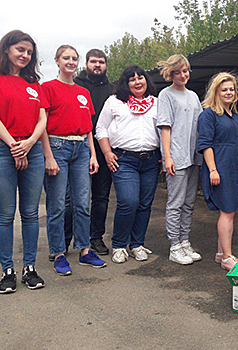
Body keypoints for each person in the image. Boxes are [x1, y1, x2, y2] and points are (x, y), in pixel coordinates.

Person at [0, 30, 47, 293]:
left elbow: (42, 119)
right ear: (6, 49)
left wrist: (29, 143)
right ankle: (8, 270)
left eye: (29, 52)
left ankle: (30, 268)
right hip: (1, 149)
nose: (25, 55)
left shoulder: (34, 83)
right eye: (20, 50)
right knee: (5, 215)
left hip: (32, 149)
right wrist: (15, 146)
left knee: (30, 214)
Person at [42, 45, 107, 276]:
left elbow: (88, 127)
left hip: (81, 148)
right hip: (57, 146)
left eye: (74, 58)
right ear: (57, 61)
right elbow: (43, 126)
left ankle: (84, 249)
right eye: (66, 58)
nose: (70, 62)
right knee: (58, 204)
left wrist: (92, 154)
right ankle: (59, 253)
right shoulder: (47, 88)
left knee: (82, 203)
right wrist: (48, 156)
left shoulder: (83, 92)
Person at [96, 65, 160, 264]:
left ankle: (137, 244)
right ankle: (119, 245)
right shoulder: (115, 102)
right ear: (126, 83)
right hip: (124, 160)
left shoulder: (156, 103)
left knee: (144, 204)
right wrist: (107, 152)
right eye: (132, 79)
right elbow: (101, 128)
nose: (137, 82)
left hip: (151, 160)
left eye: (140, 78)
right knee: (128, 202)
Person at [197, 73, 238, 270]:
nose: (229, 92)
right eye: (224, 89)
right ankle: (228, 257)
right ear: (216, 92)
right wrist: (213, 169)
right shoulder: (208, 115)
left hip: (235, 167)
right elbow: (205, 145)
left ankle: (221, 252)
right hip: (220, 167)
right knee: (227, 211)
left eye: (231, 89)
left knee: (230, 210)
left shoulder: (236, 116)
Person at [156, 54, 203, 265]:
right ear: (170, 74)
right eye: (178, 72)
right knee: (175, 202)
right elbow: (165, 127)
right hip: (177, 155)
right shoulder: (166, 95)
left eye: (185, 71)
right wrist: (167, 157)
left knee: (189, 202)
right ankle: (174, 245)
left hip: (194, 156)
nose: (183, 75)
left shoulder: (193, 96)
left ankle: (185, 241)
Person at [73, 49, 114, 256]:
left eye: (101, 62)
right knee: (73, 197)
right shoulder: (75, 85)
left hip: (104, 148)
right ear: (86, 64)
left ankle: (96, 237)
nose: (97, 65)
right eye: (93, 61)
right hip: (77, 146)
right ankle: (67, 238)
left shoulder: (113, 90)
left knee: (100, 197)